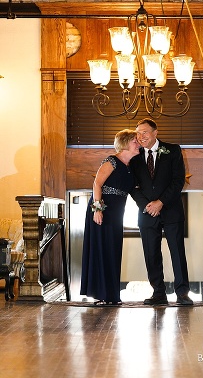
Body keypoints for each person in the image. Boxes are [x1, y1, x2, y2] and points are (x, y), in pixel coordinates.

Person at [129, 118, 193, 306]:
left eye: (145, 132)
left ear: (155, 133)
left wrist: (161, 202)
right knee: (151, 253)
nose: (141, 136)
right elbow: (132, 186)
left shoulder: (173, 150)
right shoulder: (134, 155)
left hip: (171, 210)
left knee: (177, 252)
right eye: (138, 133)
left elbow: (178, 180)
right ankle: (158, 292)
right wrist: (148, 205)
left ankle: (182, 293)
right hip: (147, 212)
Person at [80, 129, 141, 305]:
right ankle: (101, 294)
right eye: (135, 141)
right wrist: (97, 209)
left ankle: (112, 296)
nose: (138, 144)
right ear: (125, 143)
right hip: (103, 211)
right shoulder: (112, 161)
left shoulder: (131, 167)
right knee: (102, 249)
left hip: (117, 213)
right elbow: (97, 184)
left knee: (113, 250)